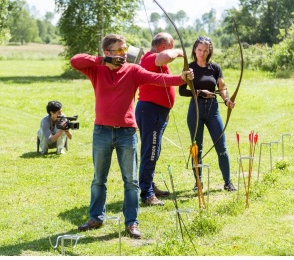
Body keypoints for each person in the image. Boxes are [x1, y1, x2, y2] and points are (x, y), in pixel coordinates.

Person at [70, 34, 194, 239]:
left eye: (125, 49)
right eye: (119, 50)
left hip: (126, 132)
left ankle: (132, 223)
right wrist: (103, 60)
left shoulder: (133, 70)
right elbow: (75, 60)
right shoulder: (97, 69)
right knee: (99, 179)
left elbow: (159, 78)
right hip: (102, 131)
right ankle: (96, 217)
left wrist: (181, 78)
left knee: (131, 181)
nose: (124, 53)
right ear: (108, 52)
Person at [179, 36, 236, 192]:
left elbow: (222, 88)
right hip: (196, 111)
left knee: (221, 146)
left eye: (205, 51)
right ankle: (198, 182)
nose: (202, 53)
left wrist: (227, 100)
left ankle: (227, 182)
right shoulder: (189, 68)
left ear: (209, 51)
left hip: (213, 110)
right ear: (195, 50)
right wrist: (199, 92)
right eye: (199, 50)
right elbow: (182, 91)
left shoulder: (215, 68)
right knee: (197, 148)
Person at [136, 32, 185, 206]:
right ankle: (147, 194)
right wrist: (179, 52)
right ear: (163, 46)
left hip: (157, 112)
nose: (172, 52)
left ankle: (149, 185)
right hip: (150, 111)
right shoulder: (151, 58)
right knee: (150, 152)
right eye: (171, 47)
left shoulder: (154, 60)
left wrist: (166, 111)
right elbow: (165, 56)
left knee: (153, 151)